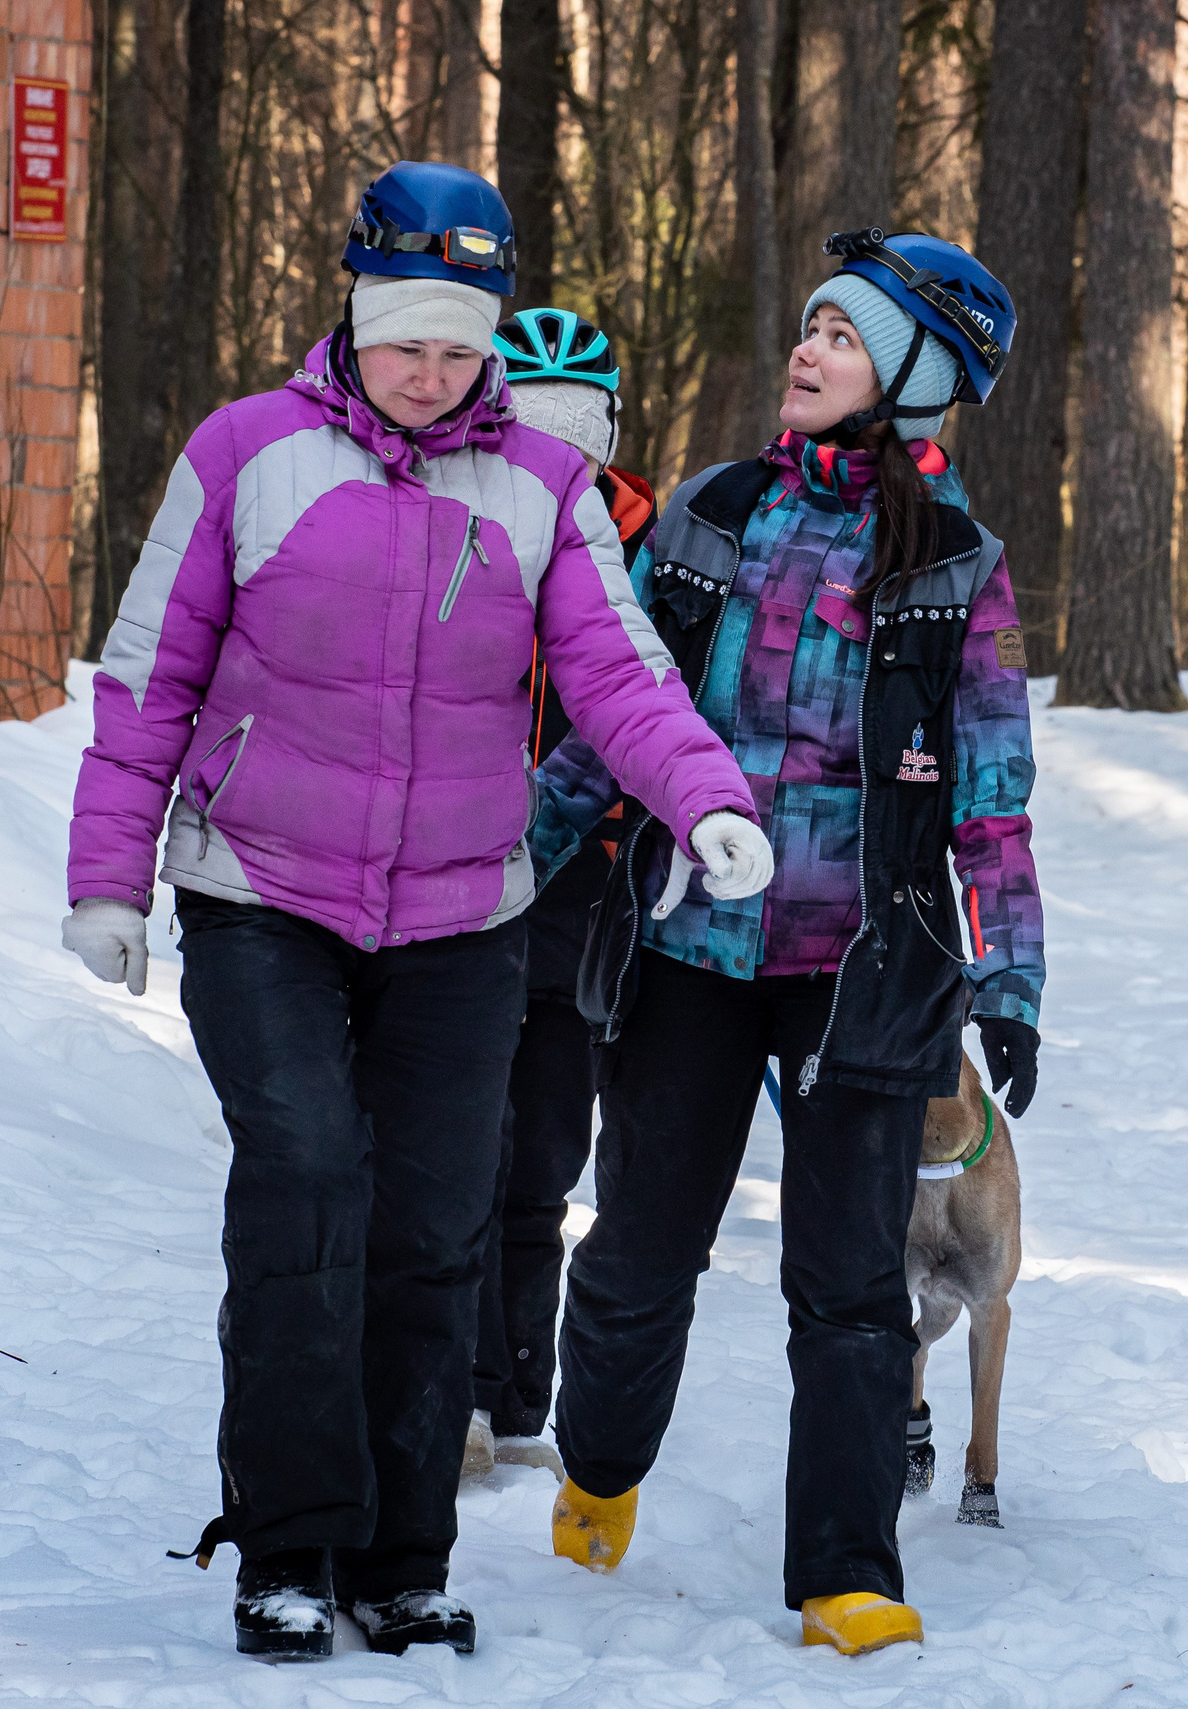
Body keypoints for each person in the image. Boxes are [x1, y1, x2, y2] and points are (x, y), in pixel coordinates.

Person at [58, 162, 774, 1664]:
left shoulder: (543, 485)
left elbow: (624, 673)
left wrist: (706, 800)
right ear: (355, 319)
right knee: (310, 1182)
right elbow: (146, 679)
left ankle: (400, 1556)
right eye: (408, 344)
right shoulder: (246, 455)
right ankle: (288, 1545)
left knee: (436, 1232)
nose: (435, 376)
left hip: (463, 910)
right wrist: (109, 879)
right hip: (262, 893)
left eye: (462, 348)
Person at [528, 229, 1045, 1656]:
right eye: (809, 326)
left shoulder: (959, 569)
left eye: (842, 335)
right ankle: (600, 1465)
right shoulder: (710, 511)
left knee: (854, 1287)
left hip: (866, 973)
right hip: (692, 947)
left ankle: (845, 1569)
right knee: (638, 1251)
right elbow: (612, 722)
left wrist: (1009, 984)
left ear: (910, 381)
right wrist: (521, 851)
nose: (806, 350)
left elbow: (992, 805)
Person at [463, 309, 655, 1480]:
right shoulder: (452, 513)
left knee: (539, 1159)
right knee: (453, 1152)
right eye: (533, 426)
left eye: (576, 431)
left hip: (584, 889)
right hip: (459, 865)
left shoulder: (645, 541)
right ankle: (454, 1393)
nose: (555, 455)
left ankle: (513, 1400)